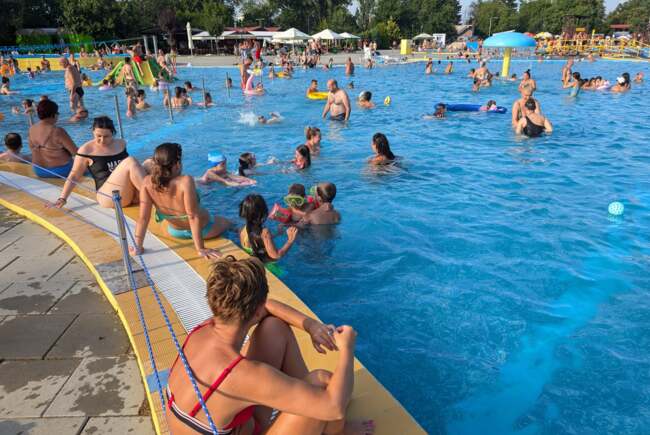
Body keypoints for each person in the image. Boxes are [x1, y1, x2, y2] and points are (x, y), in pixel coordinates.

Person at [164, 255, 372, 434]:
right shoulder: (242, 375)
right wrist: (347, 349)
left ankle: (308, 404)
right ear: (256, 312)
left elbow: (269, 307)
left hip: (227, 424)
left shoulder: (204, 329)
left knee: (274, 328)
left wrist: (311, 326)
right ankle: (335, 430)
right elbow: (334, 408)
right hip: (239, 419)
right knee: (323, 383)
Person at [130, 143, 230, 258]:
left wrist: (138, 247)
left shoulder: (147, 182)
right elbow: (193, 216)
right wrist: (200, 249)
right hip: (205, 230)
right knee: (231, 224)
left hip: (175, 231)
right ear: (177, 164)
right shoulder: (185, 181)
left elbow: (143, 218)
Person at [50, 116, 145, 209]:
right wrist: (62, 198)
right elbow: (74, 175)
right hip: (108, 196)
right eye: (98, 136)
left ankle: (148, 195)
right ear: (93, 132)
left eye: (106, 136)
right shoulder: (86, 150)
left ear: (113, 133)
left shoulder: (121, 144)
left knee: (150, 163)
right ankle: (151, 197)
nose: (102, 140)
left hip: (127, 193)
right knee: (131, 161)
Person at [239, 194, 298, 261]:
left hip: (252, 258)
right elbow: (276, 256)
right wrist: (290, 240)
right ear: (263, 212)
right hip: (264, 263)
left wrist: (277, 233)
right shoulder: (265, 233)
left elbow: (256, 240)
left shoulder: (242, 229)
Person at [28, 99, 78, 178]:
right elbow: (75, 152)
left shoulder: (32, 129)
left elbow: (32, 149)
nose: (58, 115)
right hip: (60, 171)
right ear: (53, 114)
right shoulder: (57, 131)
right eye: (57, 112)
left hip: (38, 170)